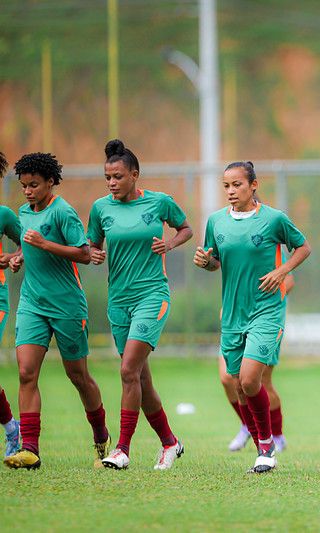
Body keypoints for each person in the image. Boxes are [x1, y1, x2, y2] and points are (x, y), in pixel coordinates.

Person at [195, 161, 310, 474]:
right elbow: (215, 262)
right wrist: (205, 262)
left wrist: (282, 271)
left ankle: (266, 445)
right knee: (237, 384)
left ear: (253, 185)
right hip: (233, 313)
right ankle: (262, 439)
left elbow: (303, 247)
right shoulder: (216, 221)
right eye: (226, 186)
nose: (231, 191)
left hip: (266, 311)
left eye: (237, 185)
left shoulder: (273, 219)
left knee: (250, 379)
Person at [88, 140, 193, 470]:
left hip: (152, 296)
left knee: (127, 371)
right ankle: (170, 442)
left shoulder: (159, 202)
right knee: (140, 379)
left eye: (118, 176)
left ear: (134, 175)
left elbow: (186, 229)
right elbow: (92, 245)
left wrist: (170, 244)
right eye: (107, 177)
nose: (111, 183)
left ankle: (122, 449)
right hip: (118, 301)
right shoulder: (100, 209)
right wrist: (93, 254)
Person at [3, 152, 110, 470]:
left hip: (66, 304)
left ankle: (101, 436)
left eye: (34, 185)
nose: (27, 191)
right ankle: (30, 449)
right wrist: (19, 256)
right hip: (32, 303)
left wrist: (45, 244)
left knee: (78, 375)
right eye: (24, 185)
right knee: (26, 373)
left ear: (50, 182)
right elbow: (28, 245)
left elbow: (85, 254)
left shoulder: (63, 212)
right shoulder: (24, 212)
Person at [224, 272, 294, 453]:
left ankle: (275, 436)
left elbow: (289, 281)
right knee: (230, 380)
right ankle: (248, 426)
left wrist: (265, 297)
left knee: (260, 381)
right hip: (235, 319)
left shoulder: (269, 254)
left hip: (264, 320)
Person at [0, 151, 22, 458]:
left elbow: (25, 243)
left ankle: (12, 430)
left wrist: (14, 257)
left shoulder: (4, 215)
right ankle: (10, 427)